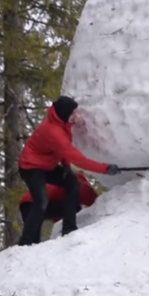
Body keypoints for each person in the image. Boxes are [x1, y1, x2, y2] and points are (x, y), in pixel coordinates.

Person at [17, 95, 120, 245]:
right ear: (64, 114)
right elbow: (77, 158)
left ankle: (69, 229)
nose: (75, 116)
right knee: (41, 201)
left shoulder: (61, 122)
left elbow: (61, 152)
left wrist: (65, 167)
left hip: (47, 165)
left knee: (72, 183)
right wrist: (104, 168)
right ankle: (25, 242)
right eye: (72, 114)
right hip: (31, 167)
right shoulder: (54, 132)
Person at [18, 172, 98, 242]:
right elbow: (92, 200)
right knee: (75, 207)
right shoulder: (78, 182)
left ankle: (21, 253)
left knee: (31, 240)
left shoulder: (61, 181)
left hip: (26, 203)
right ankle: (69, 230)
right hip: (37, 203)